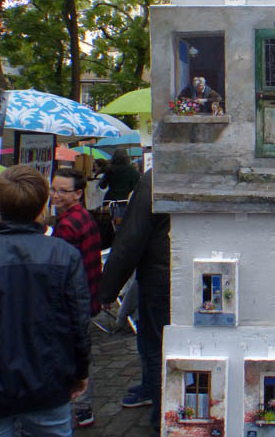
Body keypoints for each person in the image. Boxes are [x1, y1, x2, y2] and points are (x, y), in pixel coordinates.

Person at [0, 165, 91, 436]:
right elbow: (79, 323)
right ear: (42, 205)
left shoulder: (63, 254)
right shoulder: (63, 254)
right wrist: (80, 371)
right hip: (48, 382)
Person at [100, 169, 170, 434]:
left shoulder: (157, 177)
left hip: (159, 282)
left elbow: (131, 239)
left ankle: (161, 417)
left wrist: (107, 290)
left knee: (156, 348)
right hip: (199, 278)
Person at [51, 168, 102, 428]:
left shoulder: (68, 225)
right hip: (89, 298)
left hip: (75, 303)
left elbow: (62, 273)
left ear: (79, 193)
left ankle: (80, 409)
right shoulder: (83, 217)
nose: (56, 195)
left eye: (63, 191)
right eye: (53, 189)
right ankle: (84, 409)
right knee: (82, 353)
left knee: (75, 356)